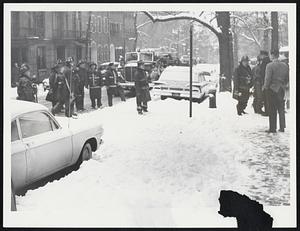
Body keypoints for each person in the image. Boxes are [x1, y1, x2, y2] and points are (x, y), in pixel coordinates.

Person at [263, 49, 289, 133]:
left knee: (272, 109)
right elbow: (287, 78)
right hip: (281, 89)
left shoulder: (269, 65)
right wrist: (284, 85)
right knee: (281, 108)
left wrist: (265, 87)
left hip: (272, 89)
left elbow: (267, 78)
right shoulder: (285, 65)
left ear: (273, 55)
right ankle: (282, 127)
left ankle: (272, 128)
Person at [260, 50, 271, 116]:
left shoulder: (264, 61)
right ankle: (268, 111)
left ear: (263, 55)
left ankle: (267, 111)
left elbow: (263, 73)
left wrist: (263, 83)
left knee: (266, 97)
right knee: (268, 97)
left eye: (261, 55)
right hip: (269, 82)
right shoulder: (269, 61)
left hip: (265, 81)